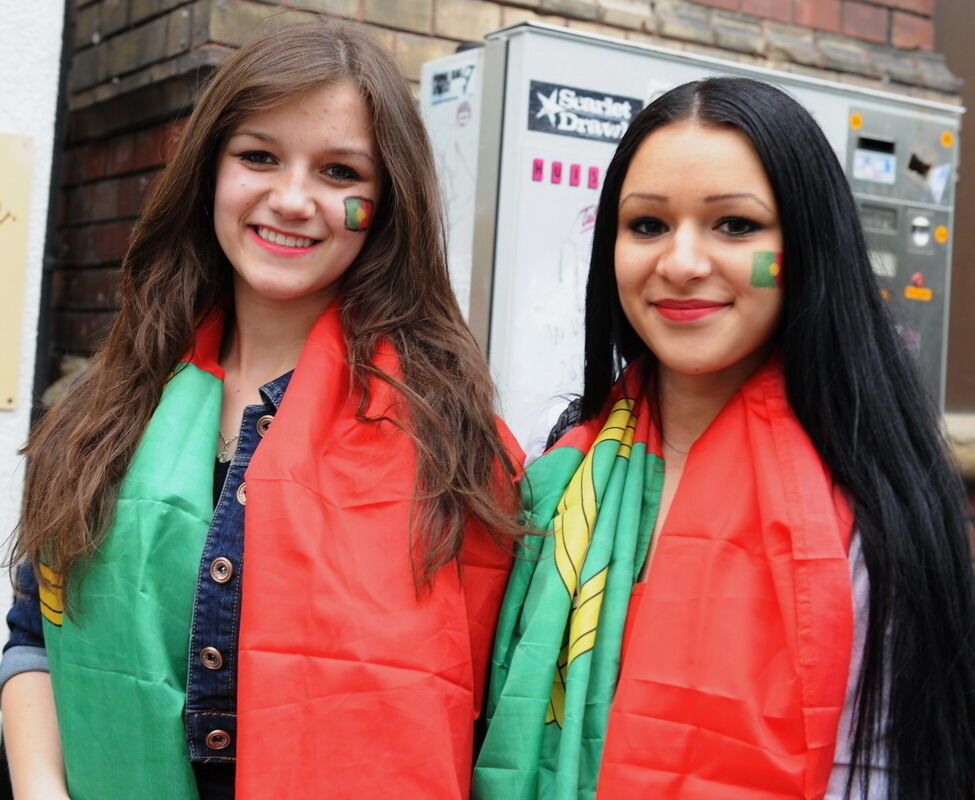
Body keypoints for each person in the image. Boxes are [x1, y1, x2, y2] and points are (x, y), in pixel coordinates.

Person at [1, 21, 521, 800]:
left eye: (340, 172)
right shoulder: (109, 404)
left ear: (383, 206)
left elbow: (487, 713)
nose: (291, 199)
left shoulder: (453, 442)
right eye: (259, 156)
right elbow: (33, 636)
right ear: (210, 171)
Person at [474, 77, 975, 799]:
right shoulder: (556, 472)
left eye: (734, 226)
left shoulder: (874, 504)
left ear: (805, 247)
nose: (679, 263)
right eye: (646, 225)